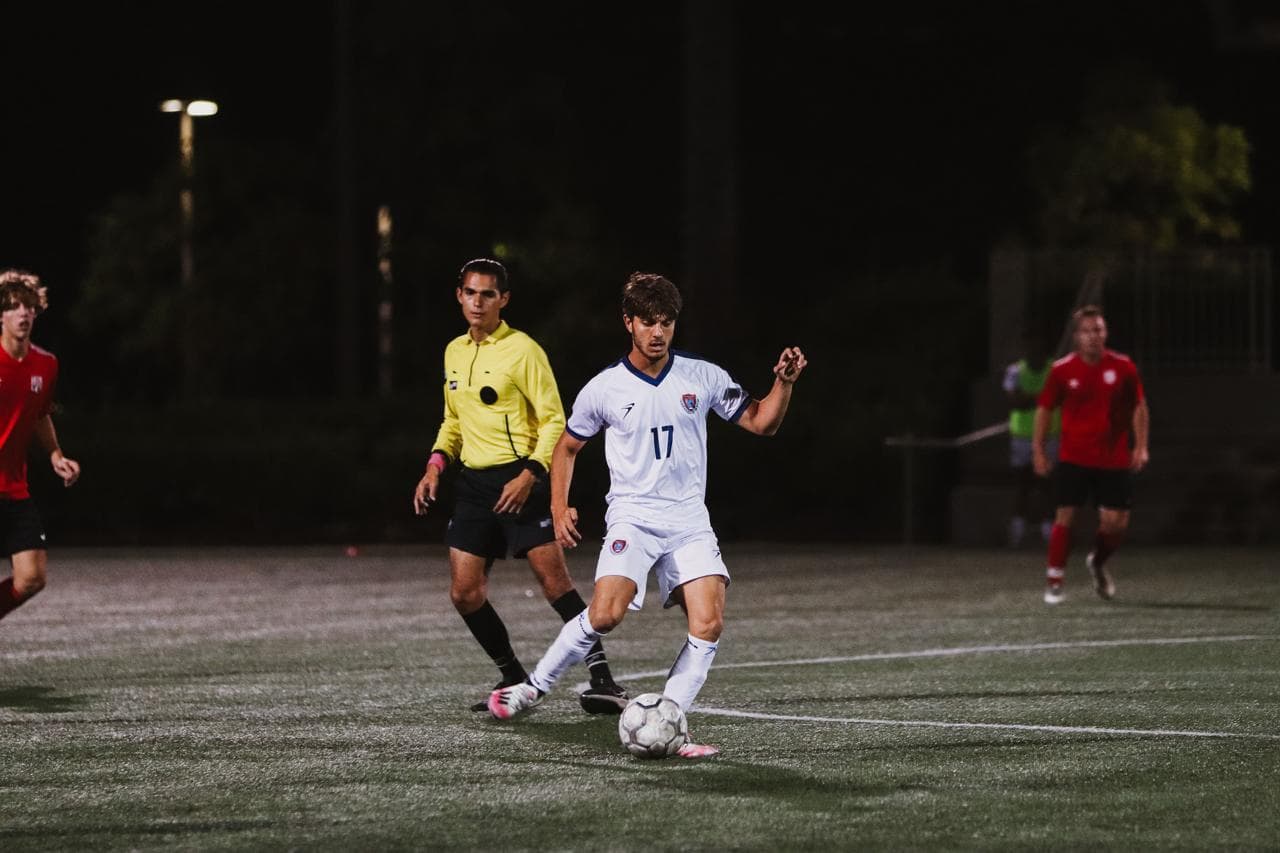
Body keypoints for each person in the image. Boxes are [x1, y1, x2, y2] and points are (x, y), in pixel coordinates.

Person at [488, 271, 807, 759]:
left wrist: (782, 384)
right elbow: (567, 447)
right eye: (648, 322)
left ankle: (672, 721)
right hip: (633, 517)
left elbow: (762, 422)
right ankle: (533, 687)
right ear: (628, 323)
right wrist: (558, 505)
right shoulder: (606, 388)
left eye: (667, 322)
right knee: (605, 613)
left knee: (708, 623)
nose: (658, 333)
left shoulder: (702, 376)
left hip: (688, 521)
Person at [412, 258, 626, 714]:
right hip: (473, 485)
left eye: (488, 294)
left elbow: (554, 420)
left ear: (503, 300)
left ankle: (603, 678)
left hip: (521, 480)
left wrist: (530, 475)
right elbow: (453, 420)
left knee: (554, 584)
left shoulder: (523, 350)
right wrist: (435, 465)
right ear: (459, 295)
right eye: (471, 292)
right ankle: (511, 676)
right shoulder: (453, 351)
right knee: (464, 593)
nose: (478, 301)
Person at [1033, 305, 1149, 605]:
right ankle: (1055, 580)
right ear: (1076, 336)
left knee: (1116, 523)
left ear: (1105, 333)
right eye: (1086, 331)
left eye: (1098, 329)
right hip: (1074, 456)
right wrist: (1039, 449)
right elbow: (1045, 410)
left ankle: (1097, 562)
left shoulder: (1123, 367)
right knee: (1065, 515)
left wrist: (1141, 446)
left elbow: (1139, 406)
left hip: (1112, 458)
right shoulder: (1061, 370)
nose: (1093, 336)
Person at [0, 269, 81, 626]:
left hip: (14, 488)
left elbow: (39, 414)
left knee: (32, 578)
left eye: (29, 307)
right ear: (0, 315)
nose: (23, 313)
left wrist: (55, 455)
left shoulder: (46, 365)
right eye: (14, 307)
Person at [1003, 335, 1059, 547]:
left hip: (1049, 436)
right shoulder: (1015, 371)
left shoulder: (1055, 370)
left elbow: (1057, 397)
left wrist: (1030, 397)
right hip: (1022, 437)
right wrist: (1041, 397)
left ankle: (1049, 529)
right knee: (1022, 484)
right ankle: (1018, 530)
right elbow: (1015, 402)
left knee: (1047, 483)